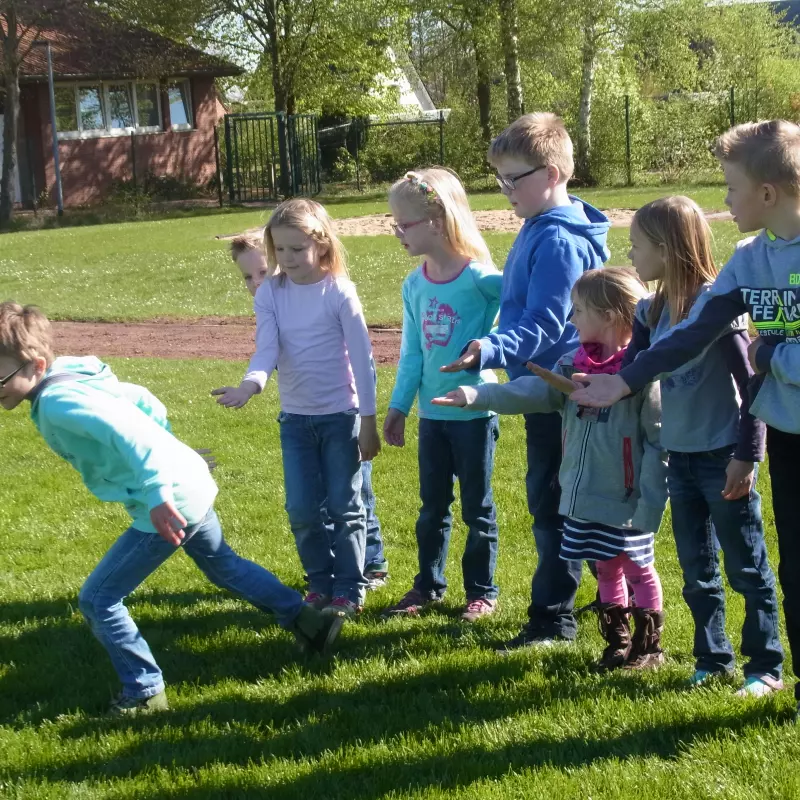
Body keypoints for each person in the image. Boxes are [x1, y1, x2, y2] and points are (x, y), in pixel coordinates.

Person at [0, 301, 344, 716]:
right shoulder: (72, 372)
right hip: (186, 482)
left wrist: (159, 489)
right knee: (225, 566)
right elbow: (143, 402)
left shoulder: (59, 403)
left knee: (98, 599)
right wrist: (172, 453)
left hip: (168, 501)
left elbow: (132, 437)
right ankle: (312, 624)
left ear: (36, 364)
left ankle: (143, 691)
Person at [570, 120, 800, 713]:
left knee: (751, 562)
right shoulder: (749, 261)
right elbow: (696, 331)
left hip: (741, 438)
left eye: (730, 187)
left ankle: (765, 661)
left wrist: (776, 352)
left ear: (768, 192)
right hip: (779, 433)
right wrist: (624, 378)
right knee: (784, 563)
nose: (724, 199)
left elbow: (755, 359)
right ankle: (748, 664)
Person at [434, 268, 668, 669]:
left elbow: (658, 442)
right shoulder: (570, 362)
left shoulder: (641, 374)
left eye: (578, 311)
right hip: (584, 497)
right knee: (606, 566)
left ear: (610, 315)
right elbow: (531, 391)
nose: (571, 319)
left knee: (637, 569)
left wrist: (648, 504)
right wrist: (476, 394)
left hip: (627, 501)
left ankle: (648, 649)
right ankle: (617, 644)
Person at [441, 112, 611, 650]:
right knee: (559, 498)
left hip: (561, 392)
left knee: (557, 502)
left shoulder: (558, 239)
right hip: (552, 388)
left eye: (514, 179)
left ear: (553, 173)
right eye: (500, 180)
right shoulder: (544, 228)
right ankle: (583, 605)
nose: (505, 190)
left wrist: (489, 349)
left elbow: (544, 324)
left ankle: (553, 621)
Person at [625, 196, 783, 695]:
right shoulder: (651, 312)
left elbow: (752, 384)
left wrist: (747, 455)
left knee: (746, 566)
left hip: (722, 457)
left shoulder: (719, 306)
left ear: (667, 249)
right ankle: (712, 659)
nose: (630, 255)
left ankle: (765, 667)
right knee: (697, 570)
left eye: (636, 245)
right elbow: (630, 370)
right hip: (680, 457)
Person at [213, 200, 380, 618]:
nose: (287, 260)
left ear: (321, 245)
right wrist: (250, 386)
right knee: (302, 509)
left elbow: (363, 360)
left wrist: (368, 421)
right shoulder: (271, 292)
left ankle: (349, 589)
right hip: (296, 420)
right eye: (280, 251)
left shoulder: (339, 291)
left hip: (341, 416)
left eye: (296, 250)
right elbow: (267, 347)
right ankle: (319, 583)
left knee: (346, 507)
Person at [381, 168, 502, 622]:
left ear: (436, 219)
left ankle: (482, 592)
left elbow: (527, 313)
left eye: (403, 223)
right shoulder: (414, 284)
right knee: (432, 509)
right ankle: (428, 586)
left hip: (474, 415)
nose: (397, 232)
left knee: (478, 509)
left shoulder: (483, 279)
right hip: (433, 419)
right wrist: (397, 409)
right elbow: (411, 355)